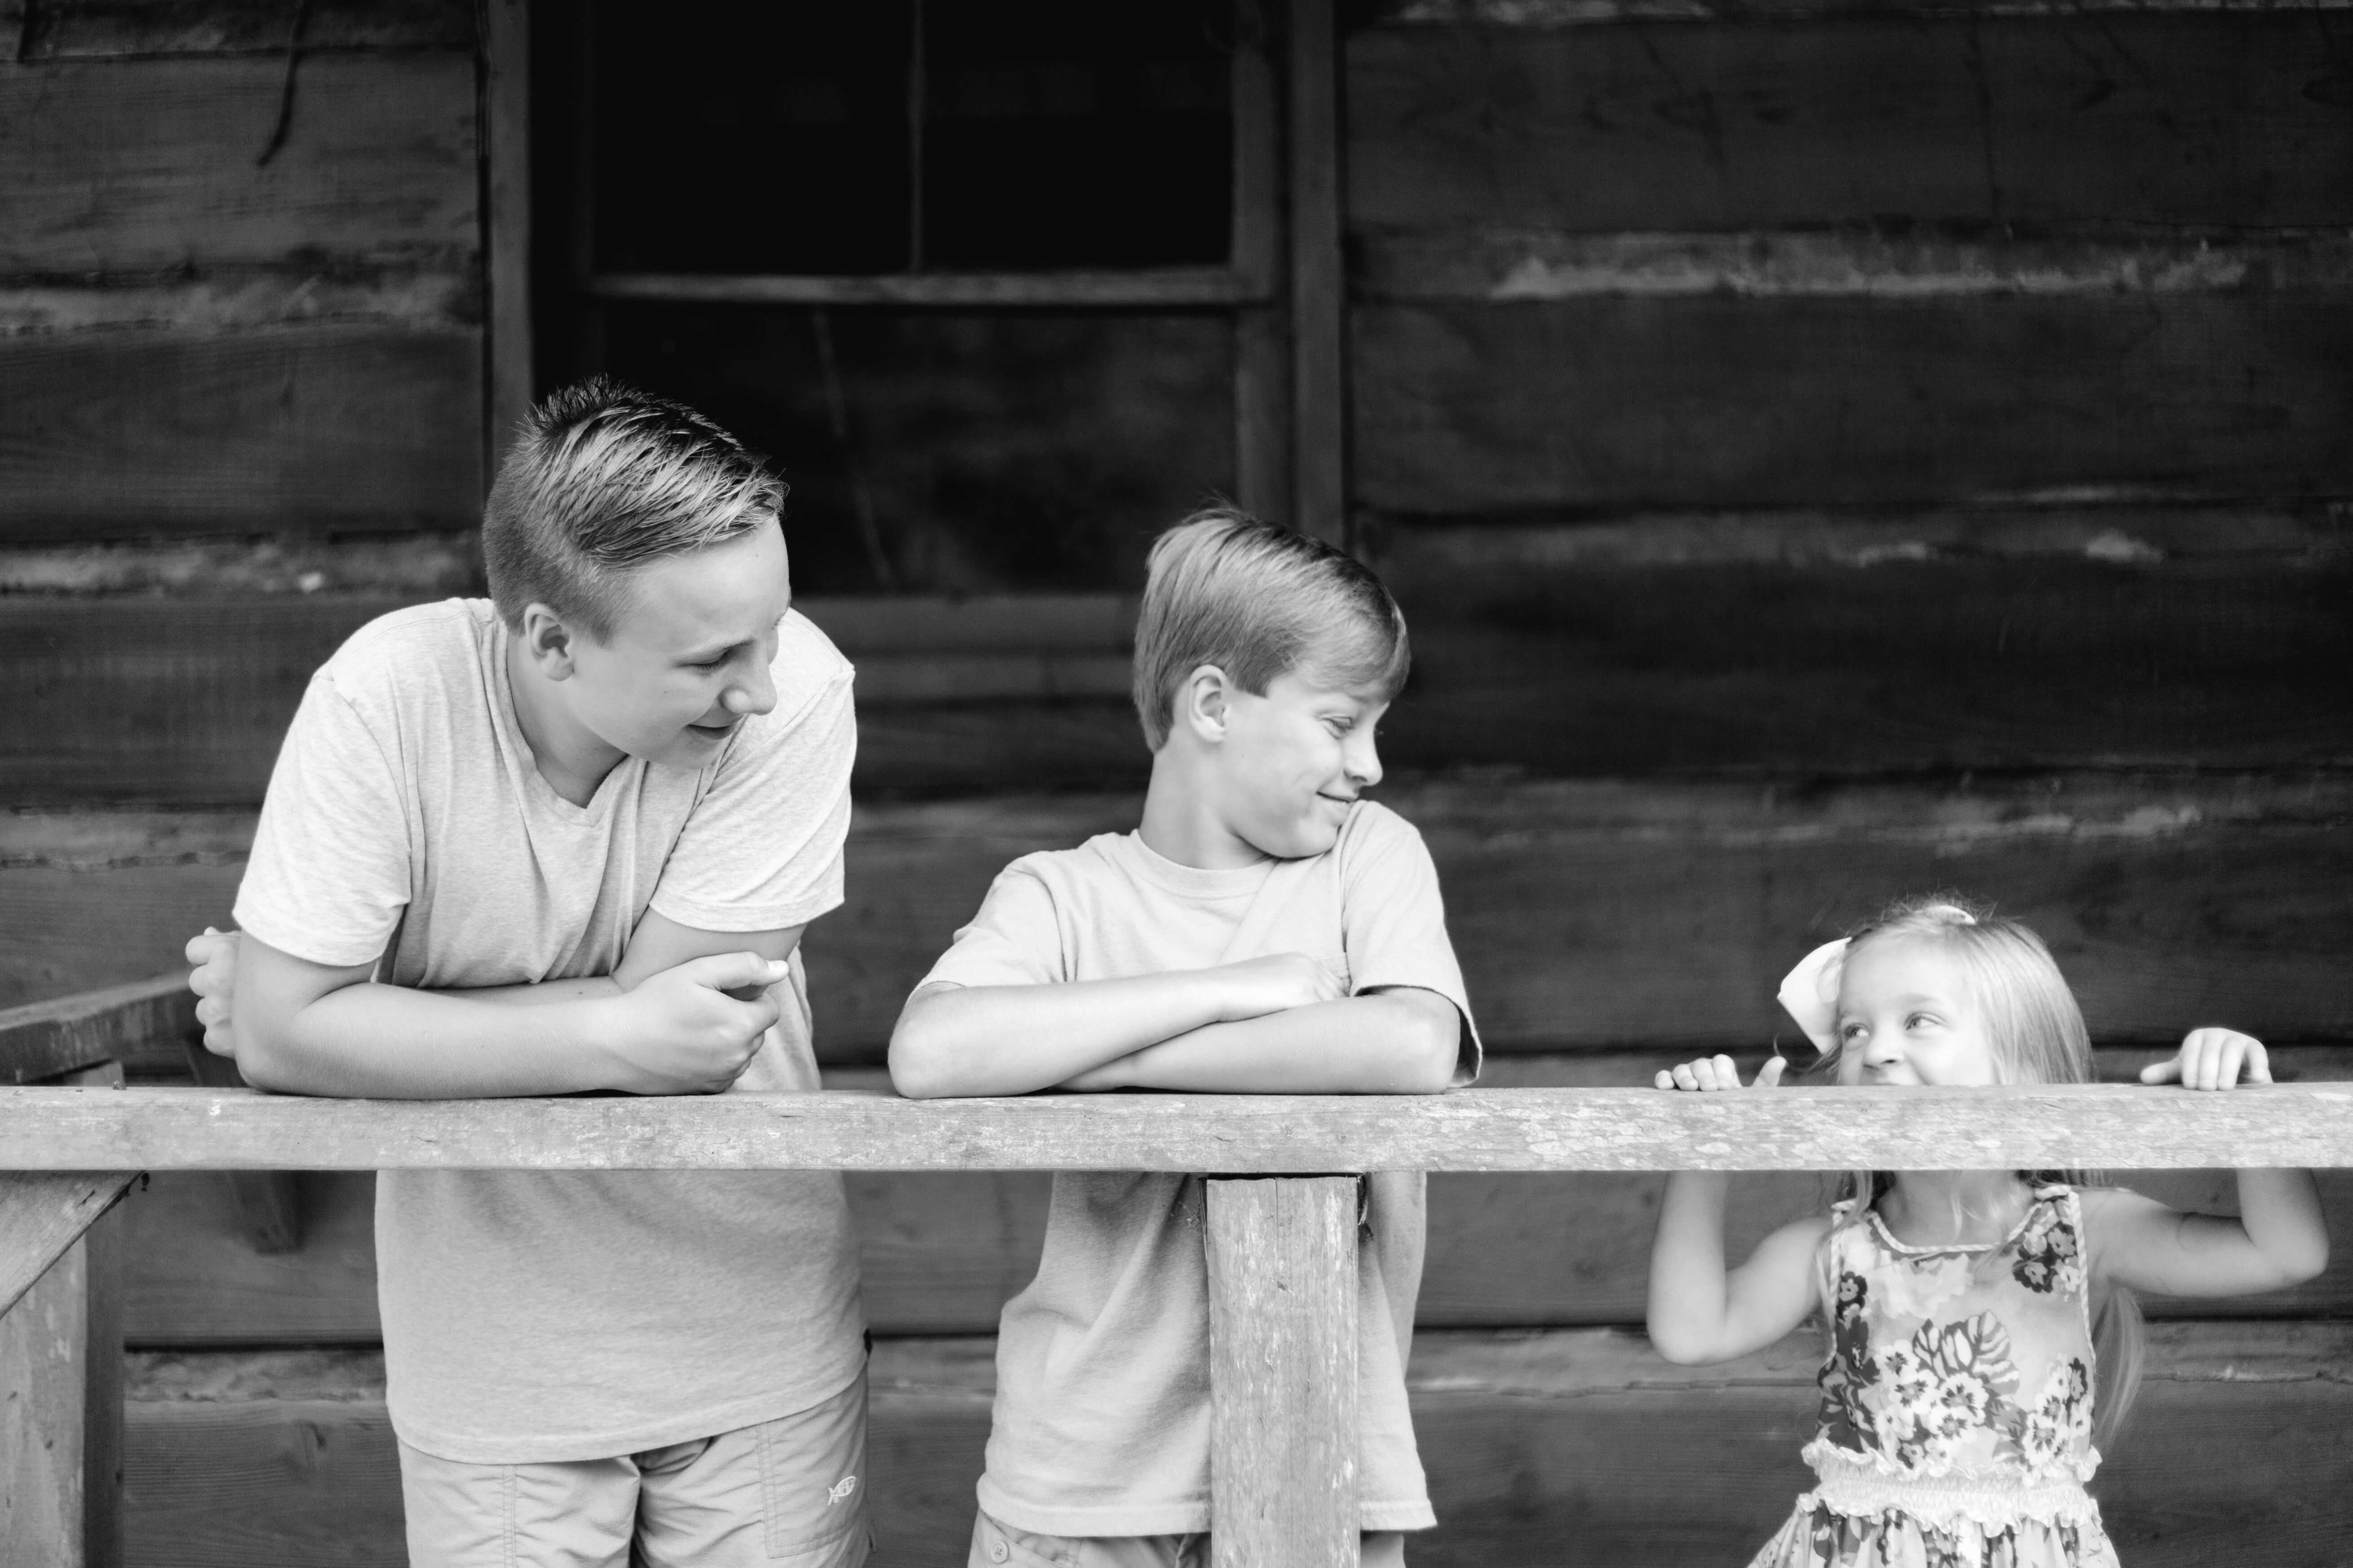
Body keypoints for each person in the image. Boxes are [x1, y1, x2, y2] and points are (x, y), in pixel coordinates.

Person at [182, 379, 871, 1568]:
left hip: (753, 1329)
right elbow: (297, 1037)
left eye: (772, 627)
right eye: (711, 658)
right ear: (550, 637)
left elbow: (698, 1032)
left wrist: (354, 1008)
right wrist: (606, 1031)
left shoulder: (796, 691)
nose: (759, 683)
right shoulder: (385, 697)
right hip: (492, 1359)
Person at [889, 508, 1480, 1568]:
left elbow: (1410, 1044)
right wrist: (1229, 989)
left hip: (1326, 1457)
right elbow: (933, 1051)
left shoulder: (1367, 860)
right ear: (1211, 701)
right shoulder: (1059, 894)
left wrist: (1105, 1064)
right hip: (1083, 1475)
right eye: (1340, 722)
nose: (1371, 763)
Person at [1646, 895, 2329, 1568]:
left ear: (2020, 1057)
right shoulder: (1833, 1249)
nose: (1877, 1049)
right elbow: (1692, 1331)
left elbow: (2287, 1252)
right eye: (1854, 1028)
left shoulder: (2083, 1231)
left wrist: (2248, 1107)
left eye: (1917, 1020)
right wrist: (1705, 1151)